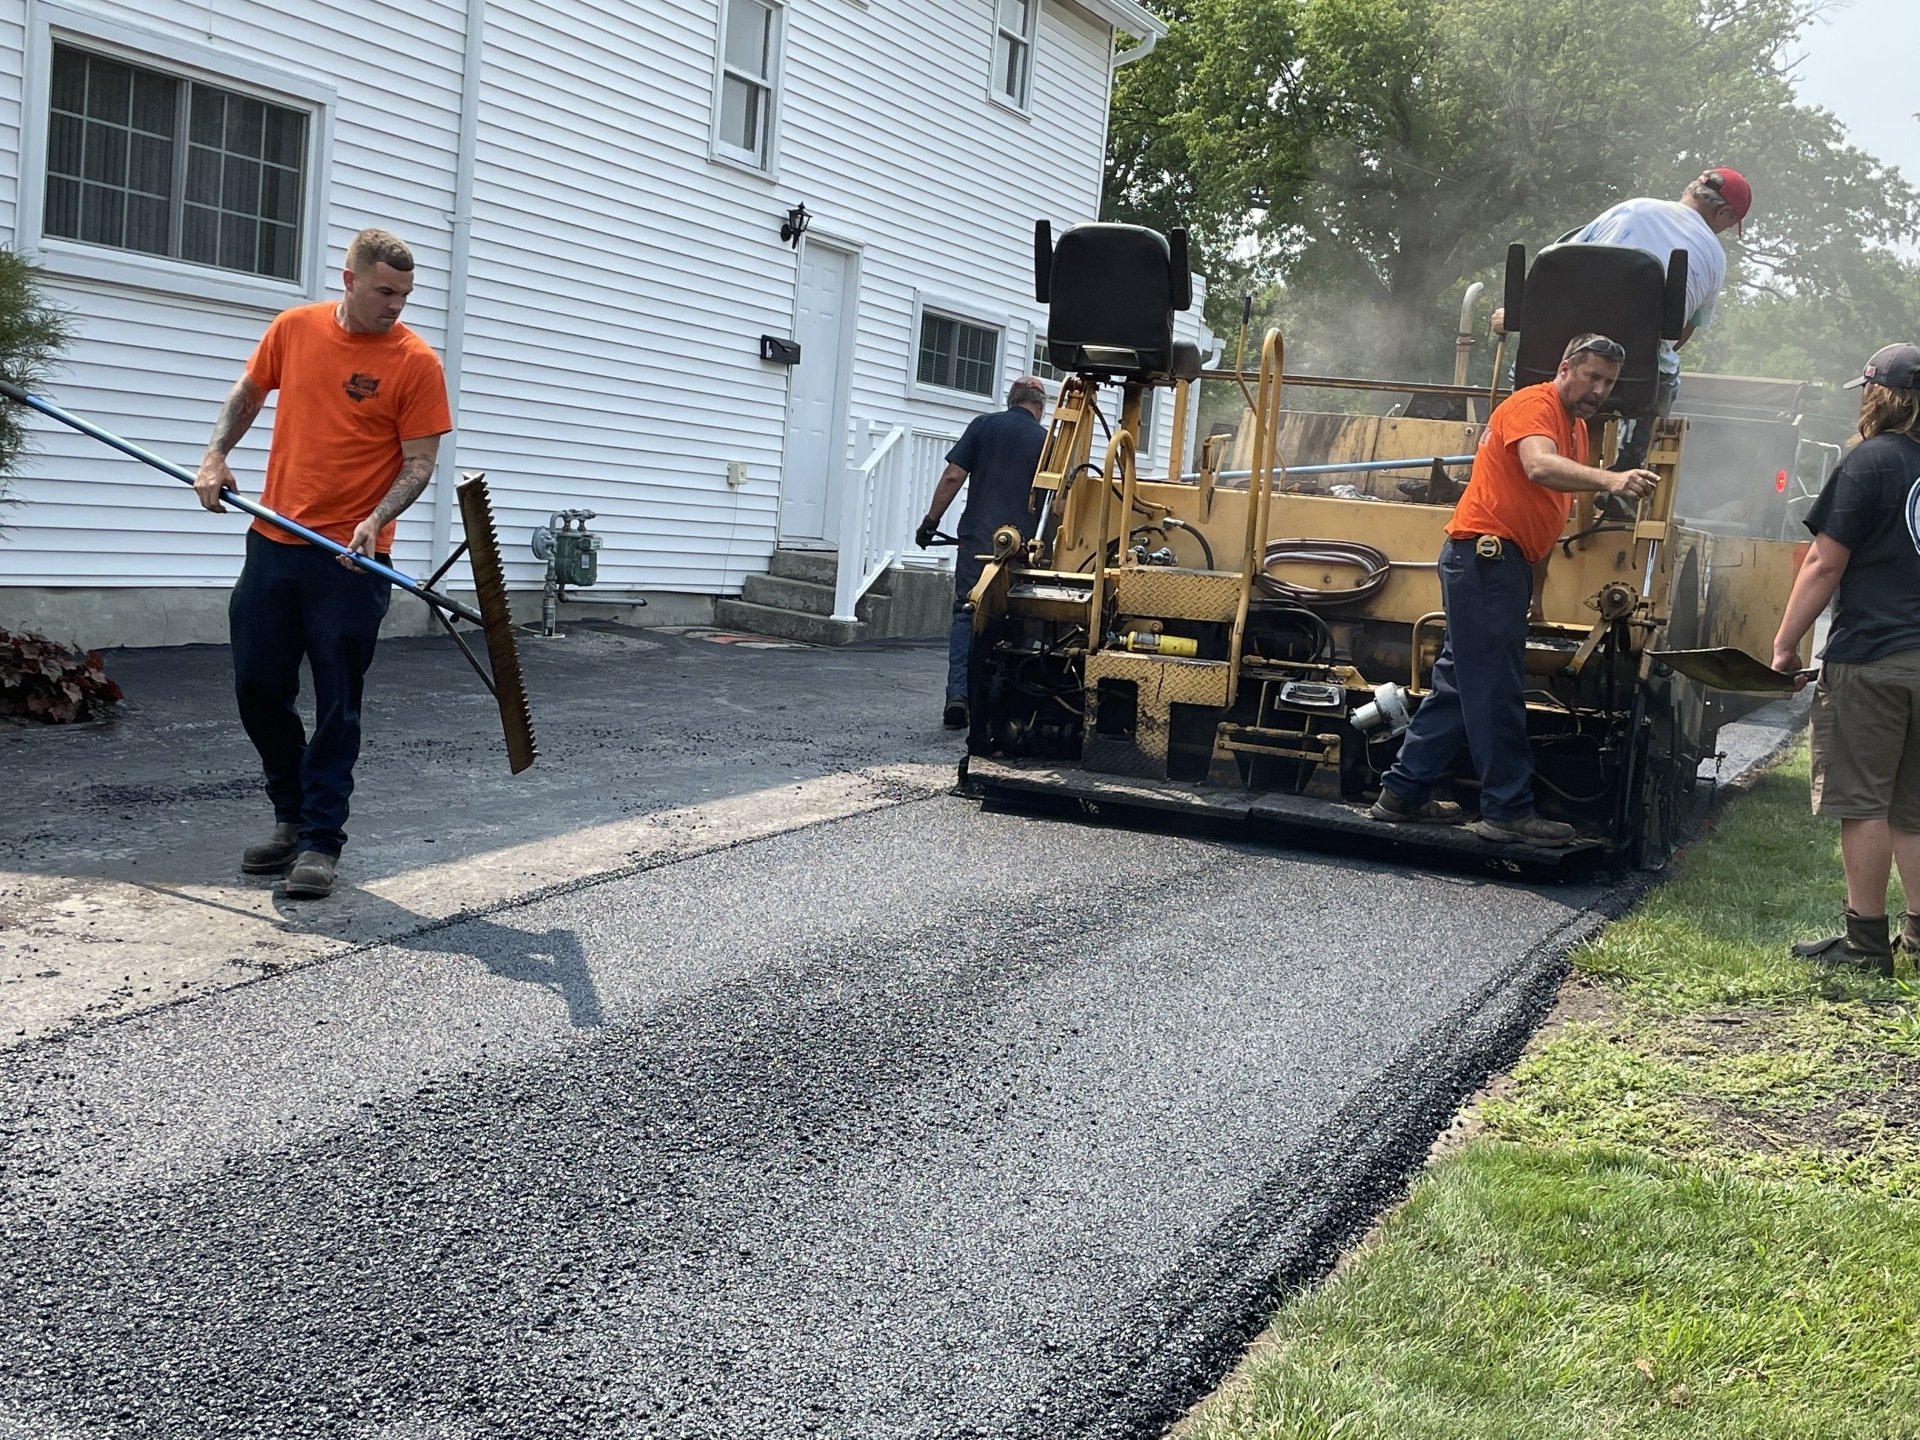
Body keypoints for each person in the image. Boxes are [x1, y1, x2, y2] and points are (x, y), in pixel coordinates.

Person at [194, 228, 453, 900]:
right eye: (384, 292)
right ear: (350, 280)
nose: (395, 305)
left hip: (351, 561)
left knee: (338, 702)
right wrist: (216, 455)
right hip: (274, 543)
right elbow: (249, 393)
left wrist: (376, 520)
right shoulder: (294, 329)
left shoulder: (416, 361)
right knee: (257, 685)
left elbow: (421, 462)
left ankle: (319, 842)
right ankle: (288, 815)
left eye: (404, 295)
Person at [1370, 335, 1660, 846]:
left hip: (1503, 566)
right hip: (1484, 560)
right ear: (1565, 367)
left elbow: (1548, 515)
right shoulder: (1534, 405)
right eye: (1592, 376)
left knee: (1460, 686)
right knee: (1496, 691)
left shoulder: (1574, 430)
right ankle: (1506, 809)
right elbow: (1537, 466)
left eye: (1608, 382)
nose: (1598, 389)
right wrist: (1611, 481)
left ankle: (1402, 793)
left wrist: (1536, 591)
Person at [1770, 342, 1920, 976]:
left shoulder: (1872, 463)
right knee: (1915, 806)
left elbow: (1825, 563)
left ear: (1878, 395)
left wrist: (1784, 646)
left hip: (1876, 658)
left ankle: (1864, 943)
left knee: (1866, 802)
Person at [1495, 168, 1752, 473]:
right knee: (1669, 373)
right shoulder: (1714, 256)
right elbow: (1678, 336)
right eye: (1730, 223)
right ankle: (1627, 474)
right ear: (1723, 213)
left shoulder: (1631, 208)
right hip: (1635, 379)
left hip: (1553, 361)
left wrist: (1518, 315)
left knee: (1524, 379)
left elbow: (1558, 264)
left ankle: (1513, 440)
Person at [914, 375, 1049, 728]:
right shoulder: (1047, 442)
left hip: (978, 543)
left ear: (1010, 399)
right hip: (1024, 549)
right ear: (1040, 406)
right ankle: (1006, 706)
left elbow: (952, 477)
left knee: (967, 613)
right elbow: (1060, 503)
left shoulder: (983, 426)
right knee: (1018, 619)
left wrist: (930, 521)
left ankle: (958, 696)